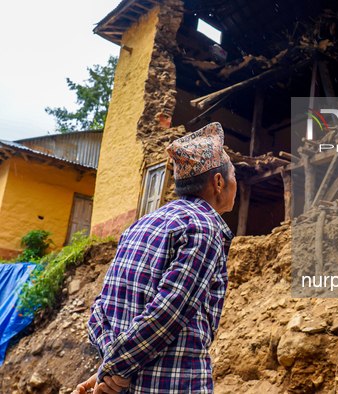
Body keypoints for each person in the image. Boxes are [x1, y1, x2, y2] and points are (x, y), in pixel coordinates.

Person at [72, 122, 236, 394]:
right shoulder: (204, 228)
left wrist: (108, 370)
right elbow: (168, 312)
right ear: (218, 182)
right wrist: (115, 371)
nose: (235, 182)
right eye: (233, 175)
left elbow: (102, 308)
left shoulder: (140, 225)